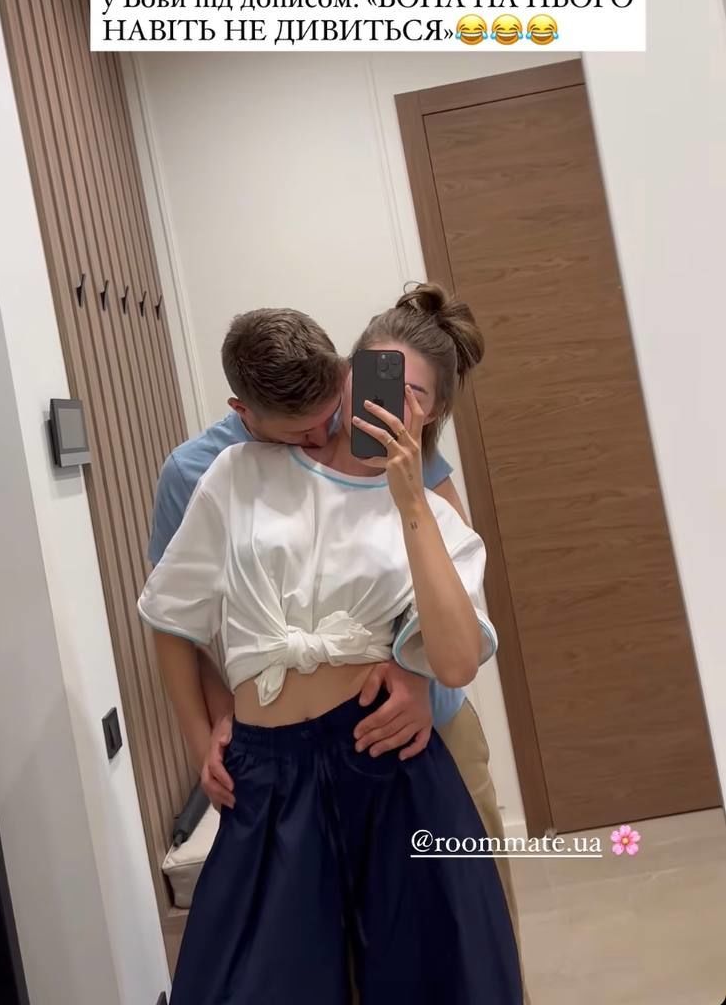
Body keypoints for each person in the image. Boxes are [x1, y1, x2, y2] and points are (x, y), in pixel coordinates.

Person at [139, 283, 523, 1003]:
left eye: (411, 393)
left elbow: (453, 658)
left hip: (393, 751)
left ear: (431, 411)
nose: (378, 403)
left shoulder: (424, 498)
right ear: (346, 374)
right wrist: (202, 733)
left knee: (446, 966)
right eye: (373, 376)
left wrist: (410, 500)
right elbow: (170, 612)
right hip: (267, 765)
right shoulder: (231, 469)